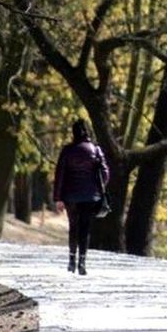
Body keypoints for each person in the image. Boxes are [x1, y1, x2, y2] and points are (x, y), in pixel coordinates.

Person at [53, 118, 110, 276]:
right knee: (85, 228)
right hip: (90, 196)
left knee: (73, 226)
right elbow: (105, 173)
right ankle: (82, 262)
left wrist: (58, 198)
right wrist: (98, 186)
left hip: (70, 195)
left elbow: (60, 175)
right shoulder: (96, 150)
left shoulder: (67, 150)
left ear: (74, 133)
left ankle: (71, 259)